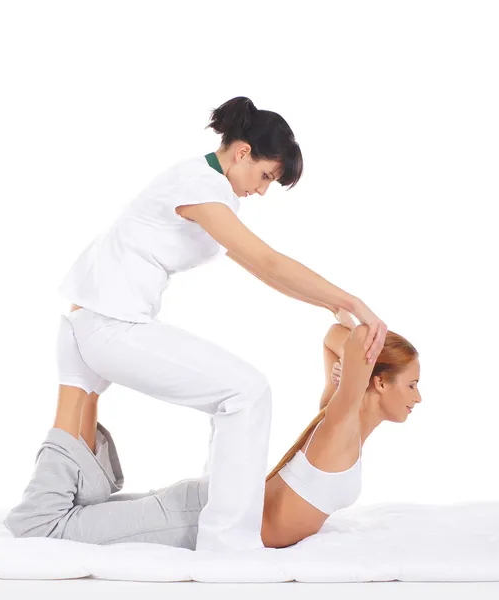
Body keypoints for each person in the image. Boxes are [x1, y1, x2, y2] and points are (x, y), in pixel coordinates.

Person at [50, 96, 388, 551]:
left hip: (100, 322)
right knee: (246, 392)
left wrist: (329, 306)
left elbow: (261, 268)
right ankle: (228, 544)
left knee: (241, 392)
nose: (263, 190)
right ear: (242, 151)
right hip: (109, 326)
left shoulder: (210, 186)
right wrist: (349, 300)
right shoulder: (199, 183)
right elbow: (266, 261)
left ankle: (214, 518)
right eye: (266, 175)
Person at [4, 318, 419, 550]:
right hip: (195, 518)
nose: (418, 397)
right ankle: (75, 388)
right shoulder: (342, 419)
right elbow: (349, 335)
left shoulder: (339, 415)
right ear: (379, 383)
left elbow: (335, 337)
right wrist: (355, 365)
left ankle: (86, 396)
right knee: (40, 529)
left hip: (207, 505)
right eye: (412, 384)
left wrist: (351, 367)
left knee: (80, 518)